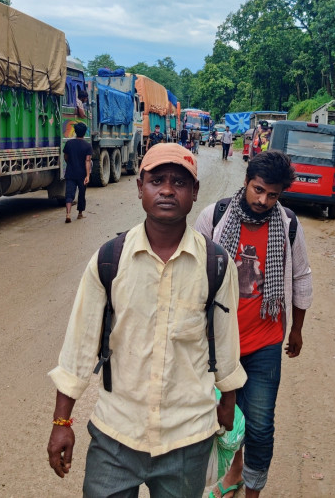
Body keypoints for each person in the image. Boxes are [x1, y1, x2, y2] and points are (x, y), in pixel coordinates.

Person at [47, 143, 246, 497]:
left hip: (188, 438)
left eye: (179, 182)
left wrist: (227, 405)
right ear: (140, 188)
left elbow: (226, 346)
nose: (167, 190)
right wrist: (62, 421)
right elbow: (78, 348)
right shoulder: (109, 260)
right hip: (115, 436)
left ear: (194, 192)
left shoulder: (215, 265)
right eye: (157, 180)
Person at [194, 151, 313, 498]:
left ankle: (251, 492)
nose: (263, 200)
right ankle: (229, 473)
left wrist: (297, 329)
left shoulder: (288, 225)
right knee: (214, 422)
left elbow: (301, 276)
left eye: (272, 195)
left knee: (260, 427)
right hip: (215, 345)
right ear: (246, 181)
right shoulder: (213, 217)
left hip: (264, 343)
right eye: (258, 190)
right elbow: (192, 274)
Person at [63, 122, 92, 223]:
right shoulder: (87, 146)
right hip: (82, 174)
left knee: (69, 193)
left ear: (75, 132)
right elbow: (87, 161)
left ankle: (68, 214)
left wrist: (70, 163)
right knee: (81, 193)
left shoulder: (68, 144)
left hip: (70, 172)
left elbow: (65, 157)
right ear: (84, 133)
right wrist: (87, 175)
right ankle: (80, 214)